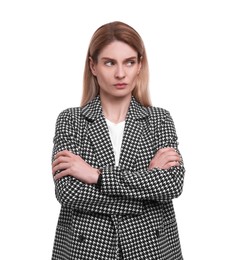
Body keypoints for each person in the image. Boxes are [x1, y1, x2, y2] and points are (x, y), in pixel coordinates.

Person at [51, 21, 185, 260]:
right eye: (109, 62)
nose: (120, 73)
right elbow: (69, 191)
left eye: (129, 62)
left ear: (139, 65)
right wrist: (145, 191)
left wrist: (97, 176)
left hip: (149, 251)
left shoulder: (159, 119)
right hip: (87, 251)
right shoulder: (71, 120)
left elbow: (172, 184)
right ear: (93, 66)